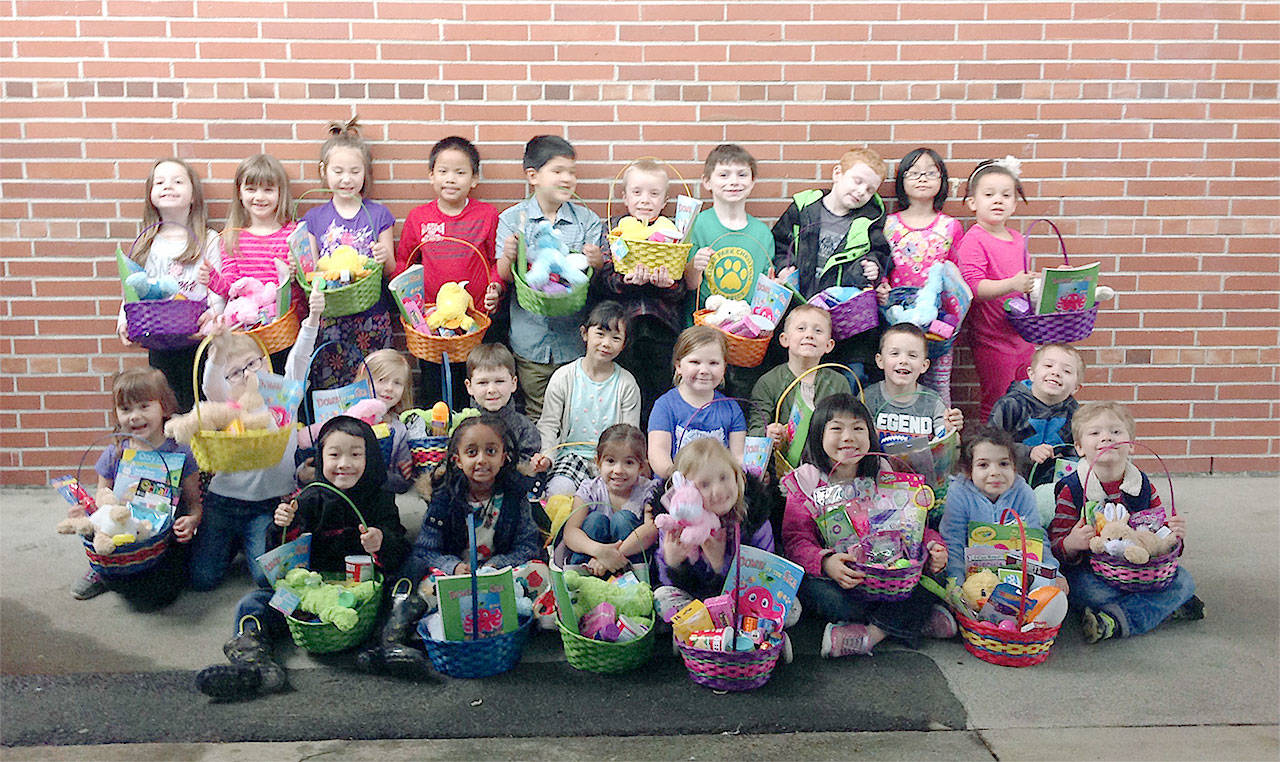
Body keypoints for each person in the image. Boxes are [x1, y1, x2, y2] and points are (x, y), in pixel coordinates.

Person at [195, 415, 410, 699]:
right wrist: (284, 524)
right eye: (334, 455)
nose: (344, 463)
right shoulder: (310, 497)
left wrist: (381, 541)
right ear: (320, 459)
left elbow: (397, 547)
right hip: (311, 596)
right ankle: (254, 661)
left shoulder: (380, 499)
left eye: (356, 455)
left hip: (361, 597)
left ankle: (389, 644)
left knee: (405, 579)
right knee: (255, 601)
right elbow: (282, 555)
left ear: (370, 458)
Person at [359, 414, 542, 675]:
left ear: (504, 457)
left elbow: (527, 546)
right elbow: (425, 550)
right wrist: (453, 567)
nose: (481, 460)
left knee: (537, 572)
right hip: (453, 575)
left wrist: (496, 565)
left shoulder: (514, 496)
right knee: (427, 585)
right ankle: (391, 642)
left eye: (491, 451)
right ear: (457, 459)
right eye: (471, 452)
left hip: (500, 573)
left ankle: (515, 626)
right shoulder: (446, 496)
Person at [780, 394, 951, 658]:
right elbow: (795, 541)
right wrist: (826, 563)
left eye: (858, 428)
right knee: (819, 594)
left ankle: (870, 635)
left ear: (870, 435)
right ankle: (913, 621)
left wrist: (933, 545)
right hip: (844, 582)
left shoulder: (884, 473)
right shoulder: (806, 482)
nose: (848, 437)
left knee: (932, 576)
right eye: (836, 428)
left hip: (890, 576)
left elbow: (914, 524)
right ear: (817, 435)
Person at [185, 287, 323, 592]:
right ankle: (230, 542)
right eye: (235, 372)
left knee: (266, 578)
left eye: (252, 364)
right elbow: (210, 384)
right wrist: (219, 352)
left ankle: (244, 543)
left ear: (263, 361)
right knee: (202, 578)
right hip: (223, 503)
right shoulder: (227, 405)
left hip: (267, 506)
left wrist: (312, 318)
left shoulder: (282, 397)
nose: (247, 375)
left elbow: (298, 361)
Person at [1048, 401, 1201, 643]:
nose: (1107, 438)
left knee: (1183, 580)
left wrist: (1175, 538)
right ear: (1079, 447)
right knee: (1084, 591)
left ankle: (1113, 620)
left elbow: (1161, 538)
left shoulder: (1142, 485)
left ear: (1131, 444)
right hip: (1091, 573)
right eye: (1095, 433)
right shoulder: (1072, 489)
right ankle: (1161, 608)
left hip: (1140, 572)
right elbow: (1054, 546)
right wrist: (1071, 543)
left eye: (1116, 432)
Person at [495, 135, 604, 420]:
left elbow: (591, 279)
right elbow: (505, 277)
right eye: (558, 171)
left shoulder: (588, 221)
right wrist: (508, 256)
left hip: (573, 340)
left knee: (574, 410)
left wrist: (597, 262)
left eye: (572, 172)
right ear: (533, 176)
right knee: (536, 411)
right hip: (530, 340)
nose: (567, 178)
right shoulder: (512, 219)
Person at [72, 368, 203, 605]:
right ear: (116, 414)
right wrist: (85, 513)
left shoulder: (180, 451)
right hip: (121, 535)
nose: (134, 416)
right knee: (123, 582)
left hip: (163, 537)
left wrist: (192, 520)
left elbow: (195, 505)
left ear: (164, 406)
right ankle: (102, 571)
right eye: (125, 409)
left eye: (144, 406)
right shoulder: (116, 453)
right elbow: (101, 499)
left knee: (160, 595)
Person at [771, 146, 894, 386]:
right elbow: (779, 241)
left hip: (846, 323)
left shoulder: (870, 220)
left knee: (850, 377)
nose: (861, 191)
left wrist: (875, 268)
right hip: (801, 309)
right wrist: (783, 266)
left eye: (870, 189)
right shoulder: (804, 207)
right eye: (857, 181)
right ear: (838, 173)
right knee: (794, 375)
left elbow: (882, 253)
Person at [393, 136, 501, 407]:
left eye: (460, 172)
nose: (450, 179)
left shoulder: (487, 215)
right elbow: (404, 263)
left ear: (474, 179)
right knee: (435, 390)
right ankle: (437, 444)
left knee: (472, 387)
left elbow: (495, 262)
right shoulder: (419, 218)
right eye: (443, 171)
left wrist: (496, 287)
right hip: (431, 323)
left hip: (474, 321)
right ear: (431, 176)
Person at [115, 157, 223, 410]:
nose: (168, 186)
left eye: (177, 181)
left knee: (202, 407)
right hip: (160, 340)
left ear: (193, 194)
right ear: (151, 194)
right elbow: (131, 290)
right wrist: (123, 320)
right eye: (160, 182)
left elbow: (218, 287)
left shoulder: (208, 239)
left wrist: (215, 315)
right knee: (167, 406)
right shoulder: (146, 242)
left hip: (200, 340)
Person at [301, 117, 397, 393]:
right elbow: (311, 273)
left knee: (372, 381)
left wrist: (382, 256)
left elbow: (390, 269)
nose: (347, 179)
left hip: (372, 314)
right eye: (339, 171)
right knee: (333, 386)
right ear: (324, 171)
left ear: (365, 173)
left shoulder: (379, 214)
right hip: (331, 317)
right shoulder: (314, 218)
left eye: (355, 171)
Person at [590, 159, 690, 422]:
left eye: (654, 194)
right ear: (624, 197)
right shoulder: (614, 229)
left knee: (660, 389)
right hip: (623, 325)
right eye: (637, 192)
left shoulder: (672, 233)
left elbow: (681, 289)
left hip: (662, 326)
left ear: (665, 200)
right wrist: (626, 281)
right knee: (625, 389)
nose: (645, 200)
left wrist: (667, 284)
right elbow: (603, 280)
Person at [650, 439, 786, 629]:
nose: (718, 490)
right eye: (704, 485)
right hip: (694, 599)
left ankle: (705, 632)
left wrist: (719, 565)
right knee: (662, 597)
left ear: (737, 475)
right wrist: (672, 562)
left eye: (724, 477)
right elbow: (667, 582)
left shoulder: (753, 516)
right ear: (684, 490)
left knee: (792, 608)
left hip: (743, 598)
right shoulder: (676, 522)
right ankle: (699, 630)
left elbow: (763, 574)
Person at [684, 144, 780, 399]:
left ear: (752, 181)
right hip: (704, 336)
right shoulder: (697, 225)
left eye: (741, 175)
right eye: (724, 175)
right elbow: (689, 286)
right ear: (707, 182)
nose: (733, 182)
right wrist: (695, 267)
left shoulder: (762, 233)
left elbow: (763, 294)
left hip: (744, 342)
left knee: (739, 404)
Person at [199, 153, 300, 366]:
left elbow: (304, 283)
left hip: (284, 333)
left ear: (280, 194)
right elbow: (229, 288)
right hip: (246, 335)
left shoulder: (293, 233)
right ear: (240, 193)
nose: (259, 197)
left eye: (268, 189)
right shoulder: (232, 237)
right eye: (251, 189)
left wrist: (297, 270)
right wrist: (211, 278)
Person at [955, 156, 1036, 421]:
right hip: (992, 338)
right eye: (989, 194)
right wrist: (1012, 284)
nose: (998, 200)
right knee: (997, 397)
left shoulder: (1018, 239)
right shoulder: (974, 239)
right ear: (972, 202)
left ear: (1015, 203)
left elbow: (1023, 284)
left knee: (1026, 394)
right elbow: (974, 287)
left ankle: (1019, 451)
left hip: (1023, 335)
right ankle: (992, 451)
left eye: (1006, 195)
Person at [884, 147, 965, 406]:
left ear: (942, 181)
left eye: (931, 172)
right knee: (896, 383)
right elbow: (882, 266)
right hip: (896, 319)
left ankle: (941, 438)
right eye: (913, 172)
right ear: (901, 181)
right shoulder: (889, 224)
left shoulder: (950, 226)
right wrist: (882, 290)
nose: (922, 178)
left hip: (938, 323)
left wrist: (953, 322)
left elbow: (956, 277)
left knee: (939, 384)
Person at [938, 426, 1065, 588]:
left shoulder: (1022, 491)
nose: (995, 472)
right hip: (972, 577)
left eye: (1003, 464)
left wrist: (1054, 572)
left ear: (1014, 467)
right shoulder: (959, 492)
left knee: (1049, 586)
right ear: (969, 470)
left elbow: (1036, 538)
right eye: (983, 465)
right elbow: (953, 542)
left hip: (1015, 572)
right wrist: (956, 585)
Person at [537, 301, 640, 496]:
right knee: (558, 493)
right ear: (585, 333)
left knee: (608, 505)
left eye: (615, 338)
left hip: (611, 462)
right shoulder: (564, 377)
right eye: (600, 334)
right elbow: (548, 424)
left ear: (624, 344)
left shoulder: (626, 384)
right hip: (570, 458)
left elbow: (630, 433)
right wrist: (547, 456)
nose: (606, 343)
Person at [749, 303, 852, 472]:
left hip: (826, 468)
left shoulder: (839, 383)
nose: (809, 335)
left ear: (829, 345)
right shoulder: (769, 382)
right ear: (784, 339)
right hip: (780, 469)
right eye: (801, 328)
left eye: (818, 331)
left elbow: (847, 425)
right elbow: (755, 429)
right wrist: (769, 434)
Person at [647, 325, 746, 480]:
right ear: (679, 366)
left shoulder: (732, 408)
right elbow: (658, 454)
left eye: (713, 363)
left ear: (724, 368)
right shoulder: (664, 406)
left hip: (718, 488)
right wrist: (676, 478)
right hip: (674, 488)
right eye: (695, 362)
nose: (704, 370)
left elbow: (738, 457)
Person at [561, 424, 659, 574]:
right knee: (595, 520)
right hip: (591, 565)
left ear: (641, 467)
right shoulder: (590, 489)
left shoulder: (648, 490)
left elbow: (651, 530)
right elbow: (570, 532)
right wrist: (600, 552)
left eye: (629, 462)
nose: (618, 470)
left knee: (623, 519)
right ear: (598, 462)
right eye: (611, 461)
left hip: (630, 567)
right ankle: (579, 578)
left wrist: (611, 557)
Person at [988, 343, 1084, 487]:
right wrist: (1028, 452)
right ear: (1031, 373)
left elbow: (1079, 450)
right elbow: (989, 444)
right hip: (1009, 482)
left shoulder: (1076, 415)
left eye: (1066, 371)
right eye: (1048, 366)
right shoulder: (1010, 405)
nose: (1056, 372)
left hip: (1053, 487)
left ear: (1076, 387)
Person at [861, 323, 963, 448]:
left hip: (922, 466)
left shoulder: (933, 401)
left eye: (912, 355)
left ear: (924, 365)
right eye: (894, 354)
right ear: (880, 360)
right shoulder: (868, 398)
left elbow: (950, 444)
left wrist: (950, 430)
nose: (903, 361)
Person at [464, 343, 548, 476]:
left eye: (499, 381)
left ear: (514, 383)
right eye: (482, 383)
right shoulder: (462, 426)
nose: (491, 390)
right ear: (469, 386)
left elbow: (529, 466)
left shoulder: (525, 428)